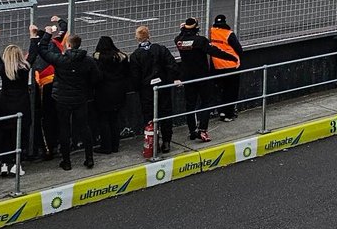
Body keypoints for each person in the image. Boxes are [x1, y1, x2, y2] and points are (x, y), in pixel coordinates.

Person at [32, 25, 100, 170]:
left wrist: (47, 35)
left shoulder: (60, 60)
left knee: (64, 129)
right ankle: (89, 159)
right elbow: (96, 78)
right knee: (84, 128)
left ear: (68, 45)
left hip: (62, 99)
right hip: (80, 99)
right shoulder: (88, 61)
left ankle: (66, 161)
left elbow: (43, 51)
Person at [174, 18, 236, 143]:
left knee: (190, 104)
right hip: (202, 77)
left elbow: (181, 36)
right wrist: (231, 57)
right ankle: (202, 130)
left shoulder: (179, 41)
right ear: (197, 28)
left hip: (187, 77)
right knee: (205, 102)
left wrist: (183, 30)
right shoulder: (200, 41)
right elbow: (215, 51)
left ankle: (192, 131)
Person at [128, 26, 180, 154]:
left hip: (147, 91)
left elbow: (135, 77)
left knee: (149, 116)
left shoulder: (135, 55)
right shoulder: (160, 49)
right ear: (149, 36)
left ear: (137, 38)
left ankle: (153, 142)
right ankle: (166, 142)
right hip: (162, 87)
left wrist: (138, 88)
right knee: (166, 113)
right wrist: (170, 79)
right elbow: (172, 65)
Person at [0, 27, 31, 178]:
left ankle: (4, 164)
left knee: (5, 136)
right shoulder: (25, 69)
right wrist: (35, 36)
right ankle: (17, 165)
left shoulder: (3, 69)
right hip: (22, 106)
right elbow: (34, 53)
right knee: (20, 136)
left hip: (4, 106)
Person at [28, 16, 67, 161]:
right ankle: (57, 146)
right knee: (56, 118)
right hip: (59, 84)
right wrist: (59, 20)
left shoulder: (36, 52)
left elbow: (33, 67)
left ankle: (46, 150)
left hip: (43, 88)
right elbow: (64, 30)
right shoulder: (56, 42)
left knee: (44, 120)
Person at [91, 36, 129, 154]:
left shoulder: (97, 59)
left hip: (103, 93)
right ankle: (115, 145)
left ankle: (106, 146)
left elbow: (95, 77)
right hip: (118, 92)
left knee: (104, 120)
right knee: (114, 120)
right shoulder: (121, 58)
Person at [208, 15, 244, 122]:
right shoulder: (229, 34)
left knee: (220, 90)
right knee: (231, 91)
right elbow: (239, 49)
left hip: (216, 66)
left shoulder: (211, 31)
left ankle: (221, 111)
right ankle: (229, 113)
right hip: (231, 66)